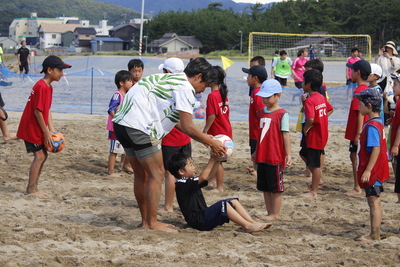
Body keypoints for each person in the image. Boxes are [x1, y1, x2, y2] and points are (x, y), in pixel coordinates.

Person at [112, 57, 225, 233]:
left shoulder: (169, 78)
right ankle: (152, 222)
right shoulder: (186, 88)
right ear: (198, 76)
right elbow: (187, 125)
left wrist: (204, 137)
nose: (204, 90)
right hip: (140, 127)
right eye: (205, 85)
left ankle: (145, 221)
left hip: (121, 124)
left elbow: (176, 121)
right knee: (156, 174)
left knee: (141, 175)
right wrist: (211, 143)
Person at [168, 153, 272, 232]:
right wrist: (211, 159)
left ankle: (252, 222)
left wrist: (218, 161)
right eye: (190, 165)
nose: (194, 167)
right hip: (198, 221)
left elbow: (208, 177)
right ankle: (247, 226)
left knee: (233, 201)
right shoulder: (182, 184)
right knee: (224, 205)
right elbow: (203, 177)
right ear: (181, 171)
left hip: (203, 215)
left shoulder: (188, 181)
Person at [16, 55, 72, 198]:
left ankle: (34, 187)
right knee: (40, 156)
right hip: (31, 127)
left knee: (43, 155)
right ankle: (31, 189)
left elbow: (47, 110)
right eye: (60, 70)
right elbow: (37, 111)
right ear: (50, 70)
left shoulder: (48, 87)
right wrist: (46, 132)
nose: (62, 73)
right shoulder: (41, 86)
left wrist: (52, 129)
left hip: (38, 127)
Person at [253, 79, 292, 220]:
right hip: (262, 155)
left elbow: (285, 134)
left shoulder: (282, 114)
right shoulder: (261, 112)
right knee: (264, 187)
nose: (265, 100)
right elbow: (261, 134)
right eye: (263, 97)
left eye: (268, 97)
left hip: (275, 156)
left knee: (275, 188)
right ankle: (269, 212)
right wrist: (256, 151)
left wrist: (288, 155)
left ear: (277, 96)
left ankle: (274, 214)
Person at [354, 88, 389, 241]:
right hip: (376, 169)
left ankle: (374, 234)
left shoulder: (372, 126)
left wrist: (368, 170)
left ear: (368, 105)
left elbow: (376, 148)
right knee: (374, 201)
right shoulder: (377, 123)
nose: (358, 106)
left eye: (360, 103)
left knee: (373, 202)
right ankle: (375, 233)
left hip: (373, 171)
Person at [158, 57, 192, 213]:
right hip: (186, 135)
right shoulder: (185, 86)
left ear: (167, 72)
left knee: (171, 172)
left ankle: (169, 206)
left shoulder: (164, 88)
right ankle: (186, 204)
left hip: (171, 137)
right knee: (186, 170)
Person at [300, 69, 333, 197]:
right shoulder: (320, 97)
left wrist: (306, 128)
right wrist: (322, 118)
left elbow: (310, 118)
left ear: (308, 85)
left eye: (303, 82)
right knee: (304, 154)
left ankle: (314, 190)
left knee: (315, 163)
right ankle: (316, 179)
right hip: (322, 133)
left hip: (315, 135)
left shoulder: (311, 100)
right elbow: (330, 110)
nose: (302, 84)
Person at [203, 66, 232, 192]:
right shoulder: (223, 93)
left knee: (218, 160)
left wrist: (205, 131)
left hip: (218, 131)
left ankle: (220, 186)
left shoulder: (212, 96)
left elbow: (212, 116)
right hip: (226, 129)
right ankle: (214, 181)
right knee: (216, 158)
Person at [345, 60, 371, 195]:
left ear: (358, 73)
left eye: (352, 70)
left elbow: (360, 114)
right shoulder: (366, 89)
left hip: (359, 132)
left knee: (355, 157)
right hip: (363, 131)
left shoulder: (359, 91)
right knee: (356, 156)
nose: (350, 72)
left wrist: (357, 134)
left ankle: (357, 186)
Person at [106, 70, 134, 177]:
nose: (131, 83)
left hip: (124, 126)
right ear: (121, 83)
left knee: (126, 147)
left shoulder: (127, 95)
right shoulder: (117, 95)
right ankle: (110, 171)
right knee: (114, 150)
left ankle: (125, 165)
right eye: (129, 81)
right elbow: (111, 109)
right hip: (115, 128)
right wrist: (117, 118)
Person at [242, 65, 268, 175]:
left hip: (258, 132)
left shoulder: (259, 94)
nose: (247, 78)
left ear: (255, 78)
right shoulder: (255, 92)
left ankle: (258, 175)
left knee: (259, 155)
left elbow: (263, 115)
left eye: (249, 75)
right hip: (254, 132)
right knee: (254, 154)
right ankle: (255, 171)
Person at [388, 72, 400, 204]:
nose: (393, 86)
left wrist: (396, 144)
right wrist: (393, 117)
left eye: (396, 84)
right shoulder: (399, 100)